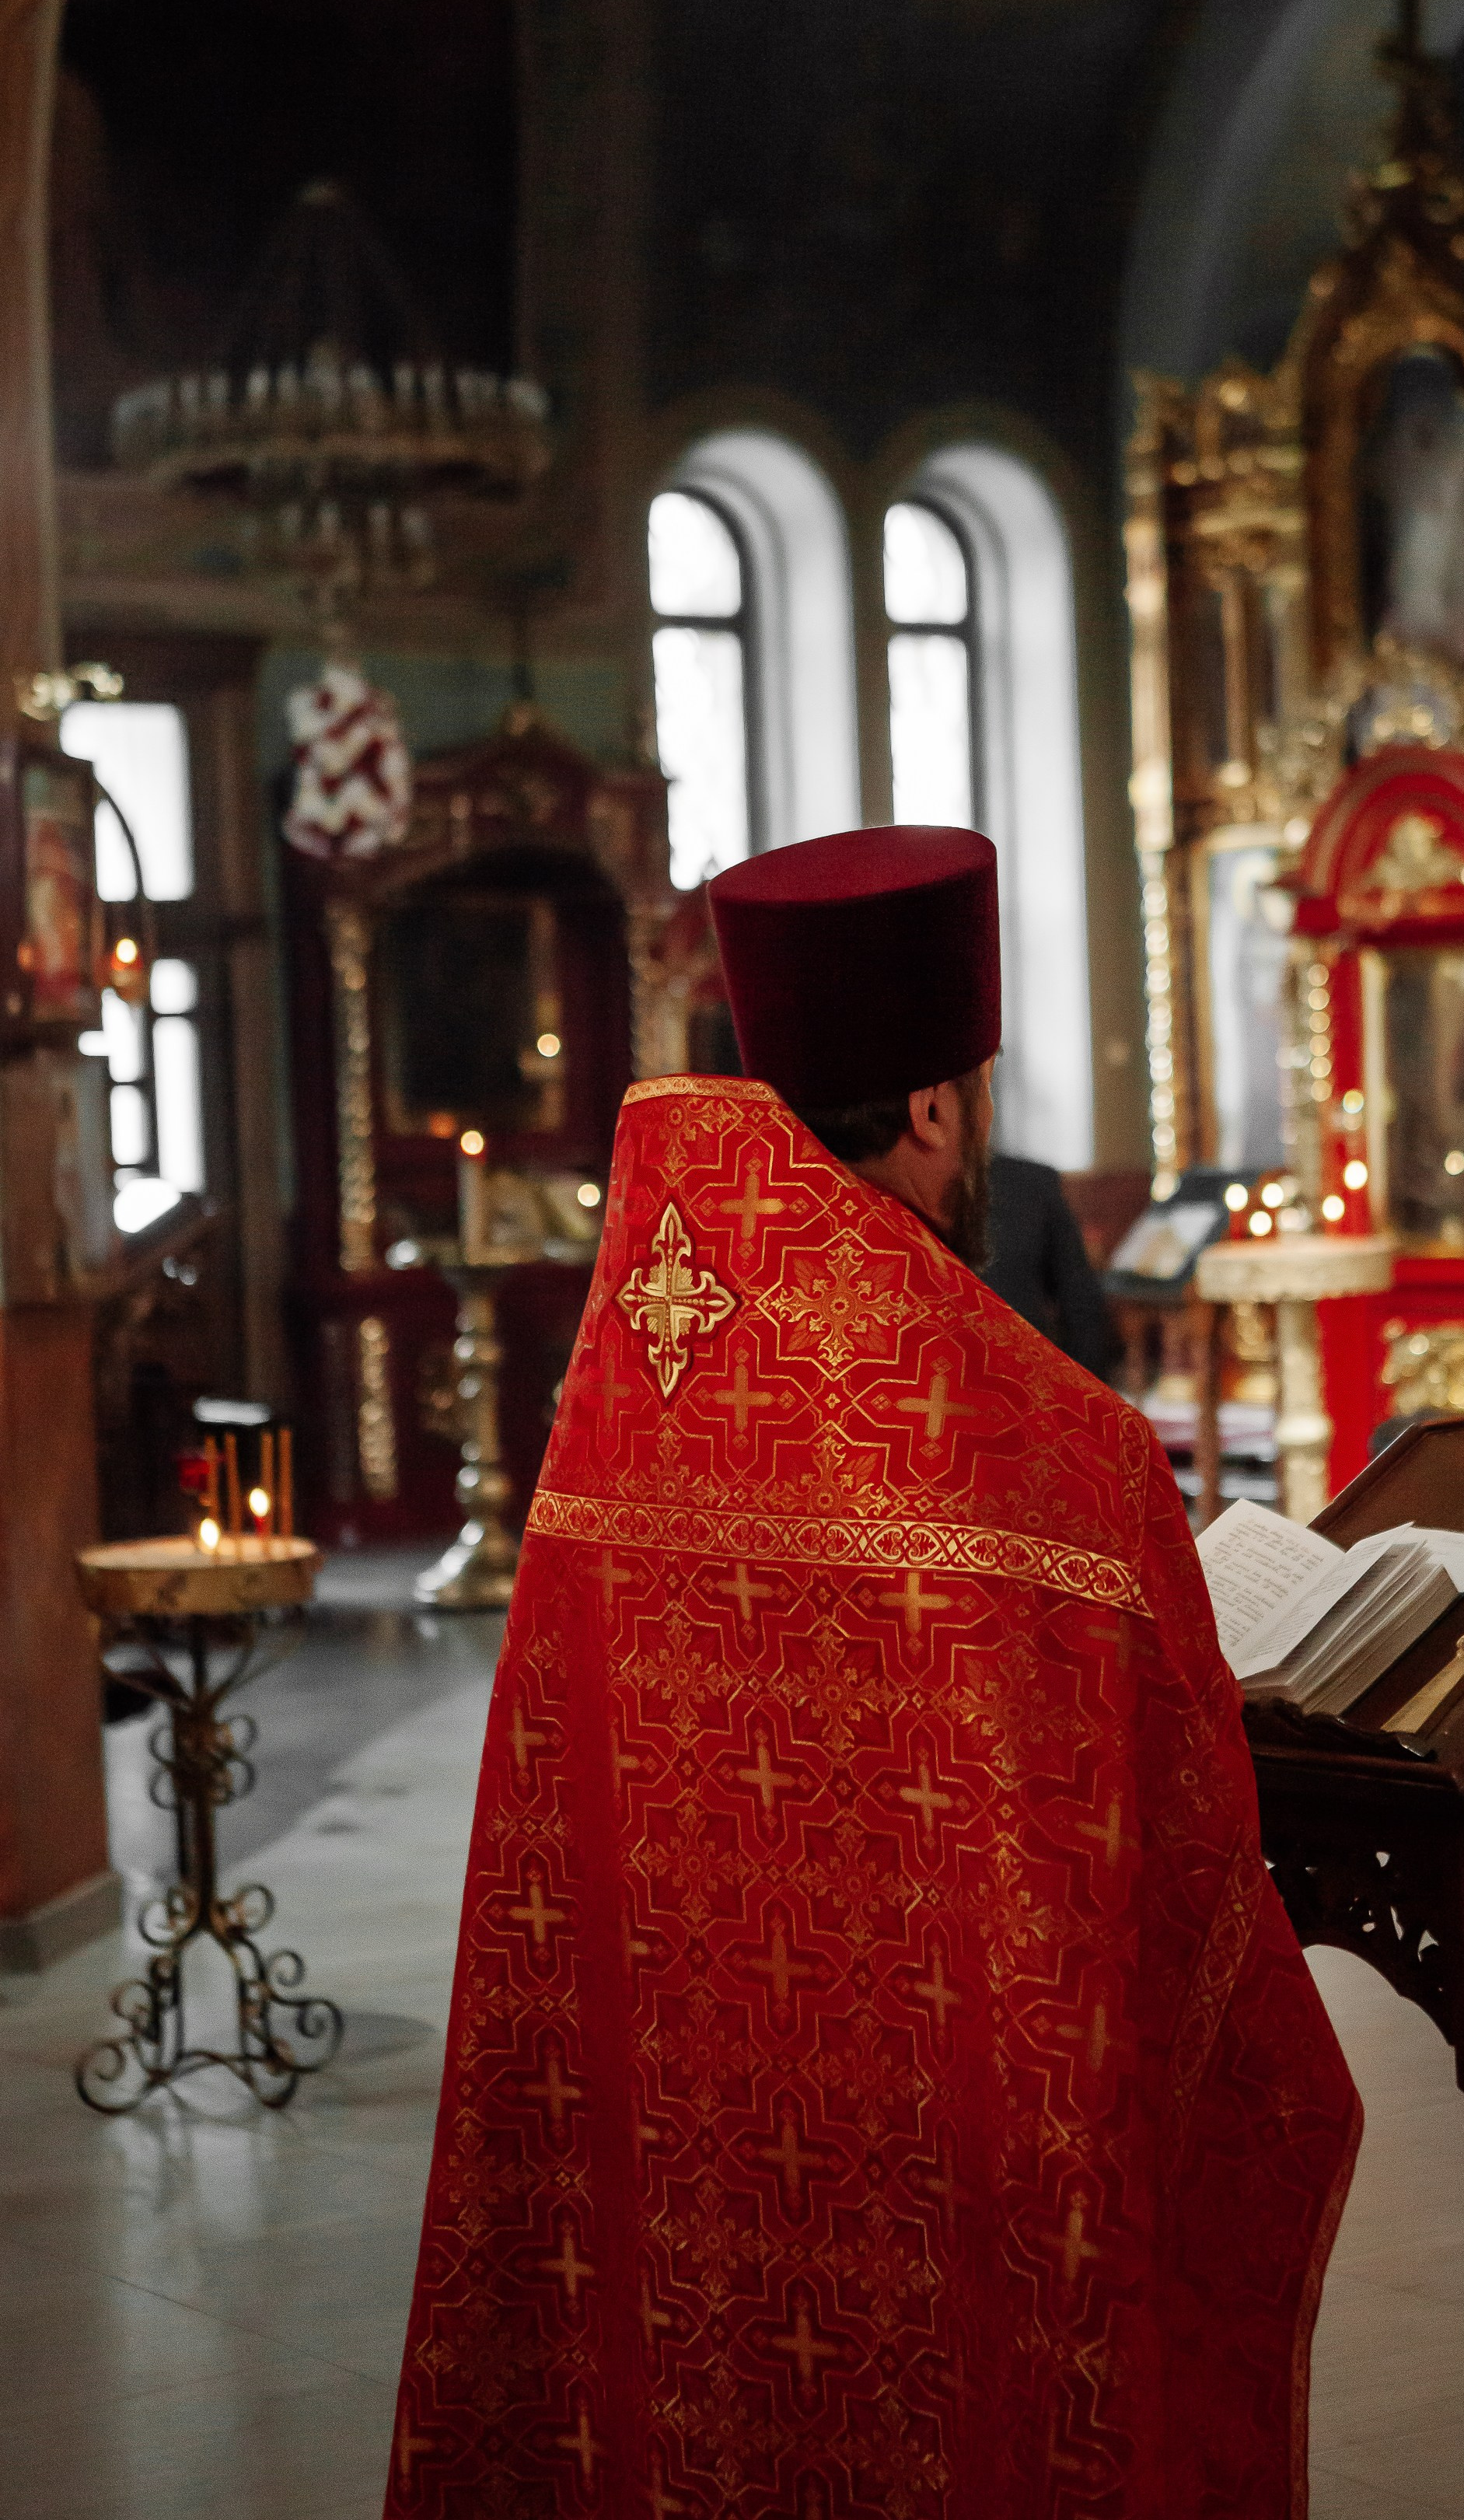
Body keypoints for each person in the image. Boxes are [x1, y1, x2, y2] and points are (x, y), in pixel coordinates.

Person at [385, 824, 1358, 2518]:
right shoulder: (1056, 1449)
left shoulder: (624, 1403)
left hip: (680, 2146)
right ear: (929, 1107)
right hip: (954, 2179)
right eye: (971, 1089)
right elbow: (1166, 1878)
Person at [983, 1149, 1119, 1380]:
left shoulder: (1030, 1184)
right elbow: (1081, 1301)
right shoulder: (1028, 1182)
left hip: (1018, 1371)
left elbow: (1079, 1298)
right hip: (1021, 1371)